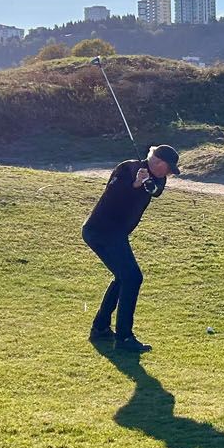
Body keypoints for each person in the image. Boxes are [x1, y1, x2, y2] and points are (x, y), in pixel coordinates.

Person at [82, 143, 180, 352]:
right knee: (132, 277)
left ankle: (100, 328)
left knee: (124, 277)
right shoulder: (126, 169)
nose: (170, 173)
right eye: (169, 168)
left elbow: (156, 191)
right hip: (100, 230)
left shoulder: (158, 177)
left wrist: (146, 182)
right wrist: (134, 184)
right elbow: (111, 196)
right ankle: (124, 337)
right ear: (159, 162)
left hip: (116, 234)